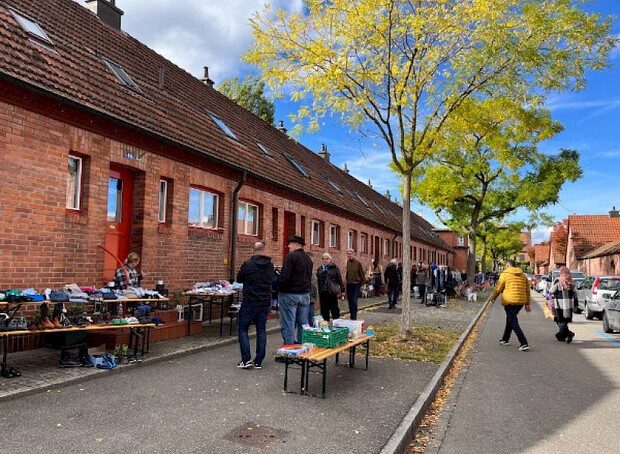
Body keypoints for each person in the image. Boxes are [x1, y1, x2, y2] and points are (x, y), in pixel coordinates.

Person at [235, 241, 274, 369]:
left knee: (242, 329)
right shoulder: (270, 265)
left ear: (254, 251)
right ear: (263, 251)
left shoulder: (248, 264)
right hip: (265, 302)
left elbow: (239, 279)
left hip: (250, 301)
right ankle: (258, 361)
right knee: (261, 330)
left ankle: (246, 359)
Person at [278, 235, 313, 345]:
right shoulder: (308, 259)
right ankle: (303, 346)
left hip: (290, 294)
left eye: (290, 244)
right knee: (303, 323)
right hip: (305, 294)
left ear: (297, 245)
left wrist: (280, 288)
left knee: (289, 323)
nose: (288, 246)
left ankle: (289, 351)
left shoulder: (291, 257)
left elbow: (285, 277)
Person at [490, 260, 531, 352]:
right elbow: (527, 291)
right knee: (510, 319)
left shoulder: (505, 274)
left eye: (506, 265)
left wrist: (493, 297)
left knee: (513, 320)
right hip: (520, 302)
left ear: (508, 265)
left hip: (509, 301)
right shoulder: (523, 275)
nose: (506, 267)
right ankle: (505, 339)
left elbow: (498, 287)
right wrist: (527, 303)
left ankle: (524, 343)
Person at [549, 267, 578, 343]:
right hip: (568, 307)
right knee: (564, 322)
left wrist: (549, 300)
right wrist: (576, 304)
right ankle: (561, 336)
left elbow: (550, 292)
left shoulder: (558, 284)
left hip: (559, 306)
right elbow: (575, 295)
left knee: (560, 322)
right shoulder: (572, 284)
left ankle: (569, 334)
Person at [317, 253, 344, 321]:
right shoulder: (320, 269)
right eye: (323, 259)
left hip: (332, 292)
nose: (325, 260)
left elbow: (339, 280)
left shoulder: (334, 268)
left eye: (327, 259)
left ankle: (336, 324)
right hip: (323, 292)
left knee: (334, 309)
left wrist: (343, 290)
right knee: (324, 311)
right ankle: (325, 325)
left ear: (330, 260)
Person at [345, 249, 366, 320]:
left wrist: (363, 284)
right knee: (350, 301)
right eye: (348, 254)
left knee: (354, 300)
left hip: (356, 284)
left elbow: (362, 274)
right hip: (349, 284)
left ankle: (354, 317)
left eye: (350, 253)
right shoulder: (346, 263)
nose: (349, 255)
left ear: (353, 254)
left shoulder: (357, 263)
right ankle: (351, 315)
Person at [308, 252, 319, 326]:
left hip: (300, 295)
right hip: (310, 296)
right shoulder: (311, 270)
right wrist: (315, 295)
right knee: (310, 316)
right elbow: (314, 284)